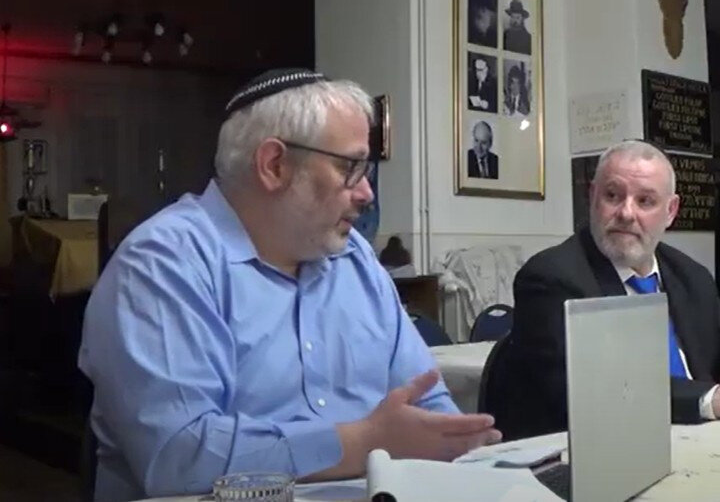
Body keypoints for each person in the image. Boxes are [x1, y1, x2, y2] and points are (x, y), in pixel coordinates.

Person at [78, 69, 500, 502]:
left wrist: (457, 443)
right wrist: (363, 443)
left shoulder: (354, 259)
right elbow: (178, 456)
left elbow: (427, 404)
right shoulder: (162, 264)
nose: (366, 193)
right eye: (350, 167)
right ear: (274, 165)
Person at [494, 140, 720, 440]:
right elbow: (592, 390)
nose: (626, 213)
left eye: (645, 201)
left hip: (699, 442)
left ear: (671, 211)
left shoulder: (690, 276)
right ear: (592, 196)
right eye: (612, 196)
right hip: (598, 452)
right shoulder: (552, 278)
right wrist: (712, 400)